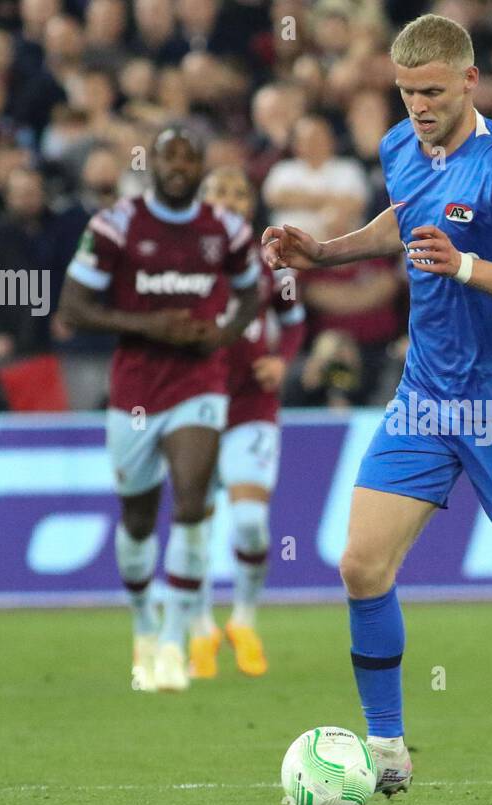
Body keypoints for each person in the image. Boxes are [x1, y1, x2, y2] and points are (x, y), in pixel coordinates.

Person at [262, 14, 492, 805]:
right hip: (426, 398)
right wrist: (325, 252)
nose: (418, 105)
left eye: (431, 91)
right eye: (406, 91)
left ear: (469, 82)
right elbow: (403, 218)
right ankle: (385, 747)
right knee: (360, 564)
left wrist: (463, 264)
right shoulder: (398, 147)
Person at [56, 126, 263, 693]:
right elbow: (73, 306)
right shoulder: (116, 225)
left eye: (188, 157)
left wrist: (222, 336)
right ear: (153, 164)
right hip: (135, 389)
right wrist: (148, 325)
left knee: (193, 500)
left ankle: (174, 640)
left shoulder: (226, 229)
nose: (177, 166)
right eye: (168, 156)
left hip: (200, 382)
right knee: (139, 519)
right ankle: (144, 622)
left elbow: (253, 290)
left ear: (199, 167)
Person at [191, 165, 308, 679]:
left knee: (250, 524)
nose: (229, 199)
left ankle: (243, 619)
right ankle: (199, 628)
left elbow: (295, 323)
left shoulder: (271, 264)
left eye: (238, 191)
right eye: (219, 190)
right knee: (193, 525)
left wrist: (283, 361)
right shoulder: (176, 260)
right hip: (191, 404)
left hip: (251, 404)